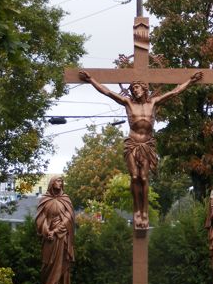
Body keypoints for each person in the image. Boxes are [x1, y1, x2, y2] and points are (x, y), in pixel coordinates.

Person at [79, 70, 202, 229]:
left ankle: (144, 212)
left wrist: (191, 81)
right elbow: (107, 92)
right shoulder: (128, 103)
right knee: (135, 176)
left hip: (147, 145)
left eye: (137, 87)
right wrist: (91, 79)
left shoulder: (153, 103)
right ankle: (137, 211)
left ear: (144, 89)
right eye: (132, 88)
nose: (134, 90)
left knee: (144, 178)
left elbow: (175, 91)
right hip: (132, 144)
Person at [35, 176, 75, 284]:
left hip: (61, 237)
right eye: (58, 181)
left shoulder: (66, 200)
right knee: (47, 264)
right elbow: (40, 218)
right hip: (49, 239)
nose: (60, 183)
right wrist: (47, 232)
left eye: (61, 181)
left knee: (61, 264)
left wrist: (56, 231)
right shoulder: (44, 200)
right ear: (52, 183)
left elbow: (69, 218)